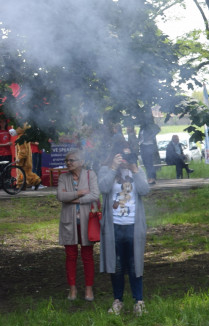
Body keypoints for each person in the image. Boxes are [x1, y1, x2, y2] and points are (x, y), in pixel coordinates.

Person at [99, 150, 151, 315]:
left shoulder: (137, 170)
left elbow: (144, 190)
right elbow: (103, 188)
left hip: (133, 226)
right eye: (120, 156)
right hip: (114, 226)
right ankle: (118, 300)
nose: (124, 160)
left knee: (135, 264)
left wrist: (135, 170)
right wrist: (113, 167)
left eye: (127, 157)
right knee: (117, 265)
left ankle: (139, 301)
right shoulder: (105, 170)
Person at [57, 150, 100, 301]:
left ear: (81, 162)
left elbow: (95, 194)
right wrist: (81, 192)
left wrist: (74, 199)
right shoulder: (63, 177)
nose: (68, 163)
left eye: (72, 160)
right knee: (70, 256)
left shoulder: (90, 174)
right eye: (67, 160)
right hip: (69, 222)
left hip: (87, 222)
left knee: (87, 256)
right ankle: (73, 289)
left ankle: (89, 289)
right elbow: (60, 196)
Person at [138, 113, 160, 184]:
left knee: (149, 163)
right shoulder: (142, 129)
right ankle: (149, 178)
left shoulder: (148, 127)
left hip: (148, 146)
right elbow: (140, 138)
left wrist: (151, 137)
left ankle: (152, 178)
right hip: (143, 146)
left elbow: (158, 129)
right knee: (146, 163)